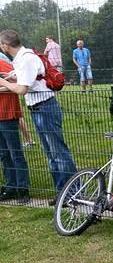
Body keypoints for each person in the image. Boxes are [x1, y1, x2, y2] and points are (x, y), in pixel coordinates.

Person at [0, 29, 77, 204]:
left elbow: (22, 89)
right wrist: (10, 79)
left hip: (45, 108)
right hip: (38, 108)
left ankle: (73, 193)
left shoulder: (26, 59)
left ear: (5, 45)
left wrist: (4, 82)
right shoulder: (21, 58)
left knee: (58, 152)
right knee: (51, 154)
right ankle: (62, 194)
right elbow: (23, 81)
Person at [0, 57, 30, 203]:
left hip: (7, 114)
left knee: (15, 153)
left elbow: (18, 83)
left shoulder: (4, 64)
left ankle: (23, 189)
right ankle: (10, 187)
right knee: (4, 154)